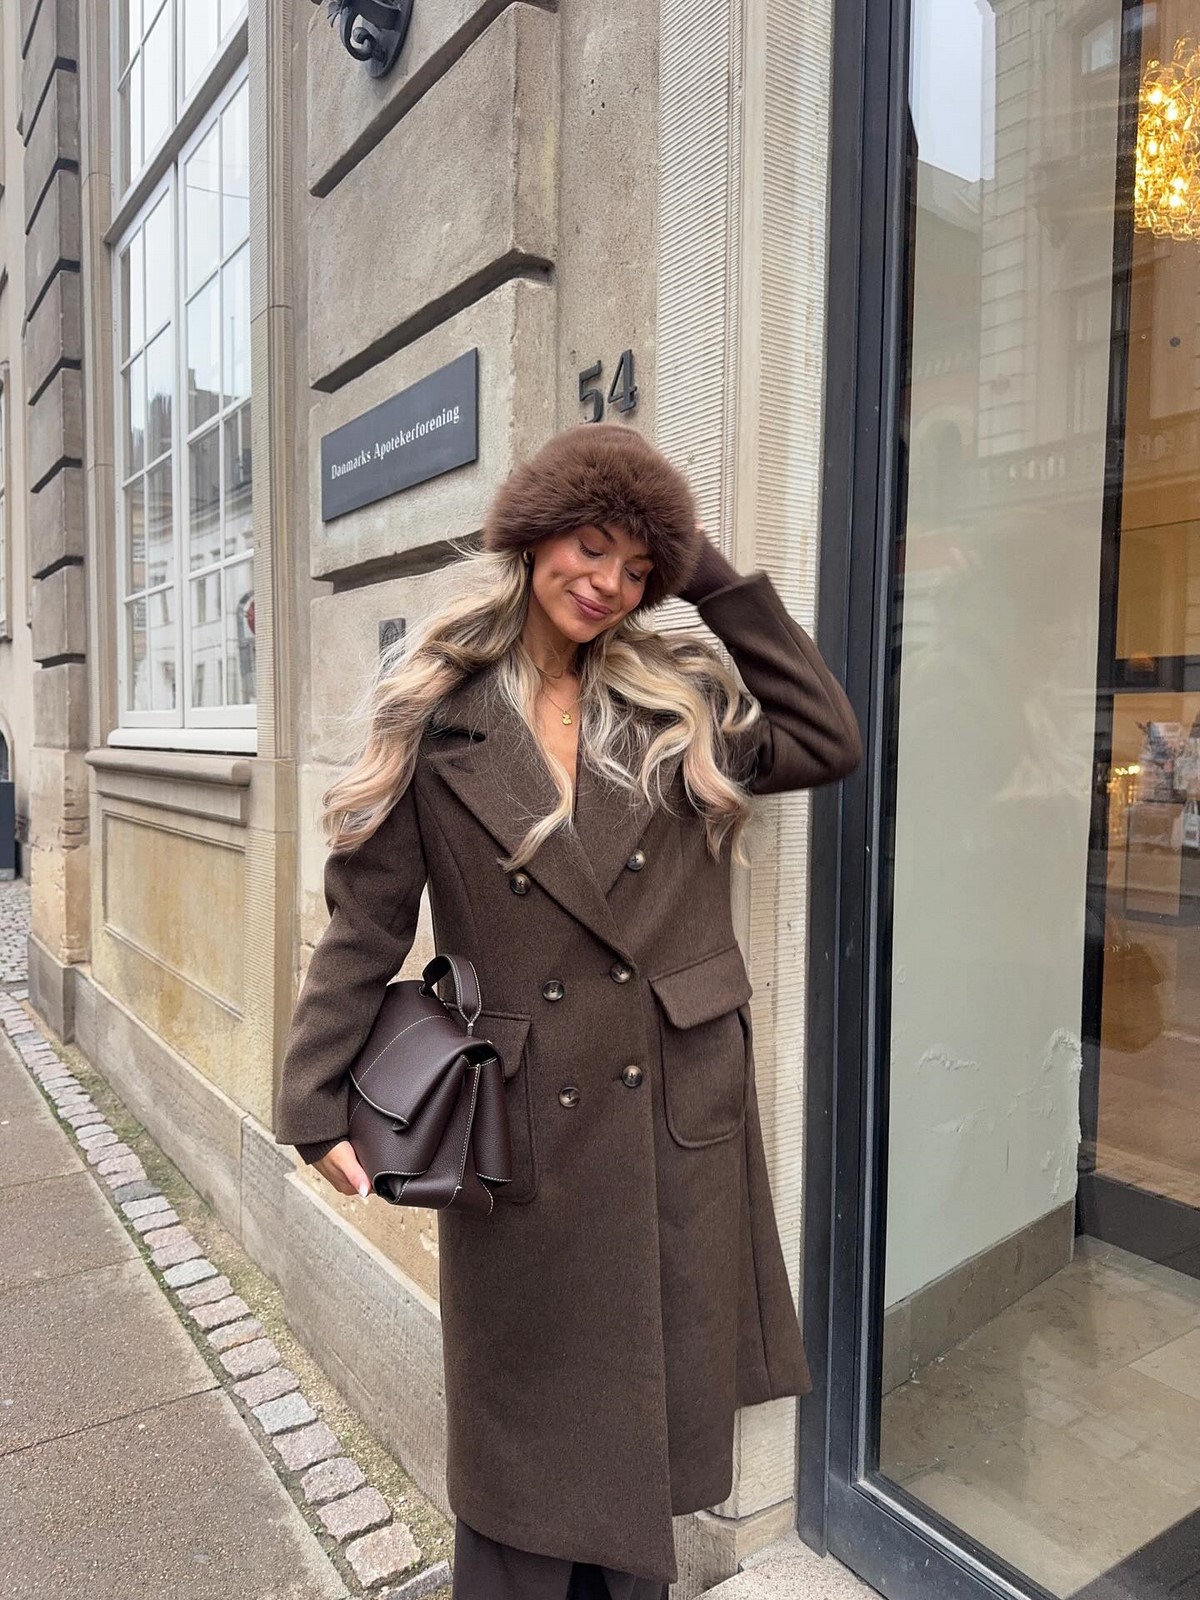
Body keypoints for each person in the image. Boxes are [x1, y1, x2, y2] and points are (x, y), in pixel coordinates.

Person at [273, 422, 863, 1599]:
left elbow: (827, 737)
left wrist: (709, 576)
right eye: (591, 547)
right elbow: (368, 919)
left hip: (670, 1113)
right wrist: (311, 1094)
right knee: (526, 1473)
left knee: (642, 1451)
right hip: (524, 1129)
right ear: (536, 537)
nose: (608, 583)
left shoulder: (673, 700)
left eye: (638, 568)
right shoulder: (439, 716)